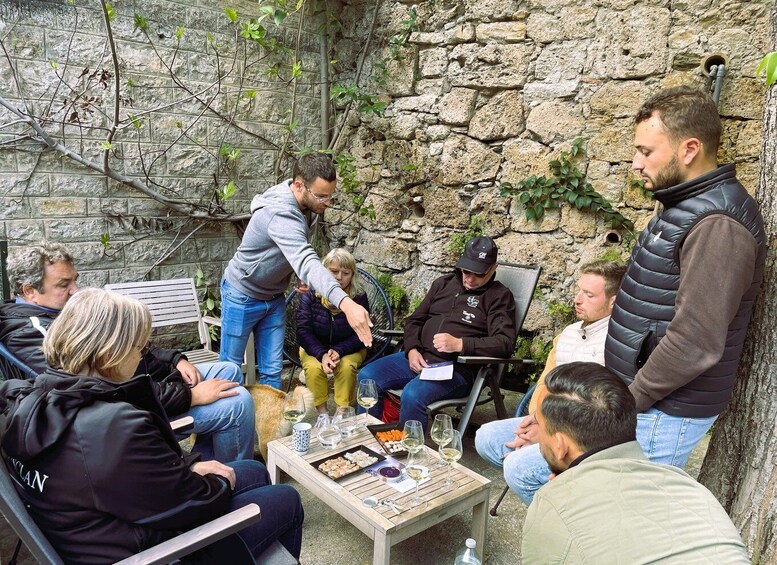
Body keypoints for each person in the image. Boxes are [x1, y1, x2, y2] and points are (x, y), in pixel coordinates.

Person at [0, 288, 303, 564]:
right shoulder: (113, 426)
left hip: (97, 530)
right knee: (286, 499)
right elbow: (194, 503)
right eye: (139, 349)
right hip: (154, 551)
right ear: (109, 356)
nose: (142, 357)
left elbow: (119, 474)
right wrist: (219, 483)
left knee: (254, 470)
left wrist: (188, 465)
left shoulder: (26, 398)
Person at [605, 86, 767, 467]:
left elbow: (696, 341)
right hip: (647, 401)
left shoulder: (718, 224)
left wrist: (630, 400)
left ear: (689, 150)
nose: (635, 163)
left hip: (665, 411)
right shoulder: (684, 204)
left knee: (636, 519)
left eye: (645, 152)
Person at [0, 243, 255, 463]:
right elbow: (108, 392)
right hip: (129, 412)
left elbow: (125, 342)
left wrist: (173, 360)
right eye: (63, 284)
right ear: (29, 291)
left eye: (75, 279)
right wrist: (189, 396)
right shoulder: (34, 334)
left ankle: (209, 457)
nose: (75, 290)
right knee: (237, 401)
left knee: (228, 370)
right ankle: (234, 474)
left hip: (141, 385)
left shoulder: (60, 313)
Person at [521, 361, 749, 564]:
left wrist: (559, 498)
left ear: (561, 446)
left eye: (539, 424)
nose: (536, 431)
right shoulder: (690, 487)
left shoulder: (552, 505)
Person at [475, 260, 626, 504]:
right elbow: (545, 384)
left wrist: (546, 436)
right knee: (486, 437)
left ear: (613, 301)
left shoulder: (617, 345)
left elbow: (599, 413)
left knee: (517, 468)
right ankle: (555, 496)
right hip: (551, 421)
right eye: (578, 291)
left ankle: (561, 517)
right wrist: (536, 422)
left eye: (588, 295)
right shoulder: (568, 334)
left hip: (585, 438)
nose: (577, 299)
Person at [220, 152, 372, 390]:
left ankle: (270, 427)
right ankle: (228, 425)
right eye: (322, 196)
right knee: (229, 371)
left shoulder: (308, 205)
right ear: (299, 185)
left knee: (272, 372)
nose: (327, 203)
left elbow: (291, 252)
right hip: (242, 294)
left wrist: (297, 274)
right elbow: (305, 257)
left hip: (274, 297)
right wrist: (346, 302)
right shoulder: (279, 212)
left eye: (330, 196)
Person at [356, 236, 517, 430]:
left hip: (456, 369)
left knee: (412, 394)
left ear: (492, 268)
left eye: (478, 274)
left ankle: (410, 452)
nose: (470, 278)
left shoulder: (499, 296)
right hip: (420, 358)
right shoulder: (443, 284)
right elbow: (414, 321)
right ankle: (368, 440)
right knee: (368, 377)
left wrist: (461, 344)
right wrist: (412, 350)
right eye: (466, 270)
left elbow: (505, 343)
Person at [297, 248, 369, 413]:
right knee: (314, 369)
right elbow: (303, 330)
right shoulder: (310, 293)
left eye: (346, 273)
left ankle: (342, 412)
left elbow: (363, 332)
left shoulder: (358, 296)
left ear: (353, 275)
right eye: (334, 271)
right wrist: (322, 354)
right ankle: (322, 414)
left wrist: (339, 350)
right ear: (324, 271)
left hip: (349, 347)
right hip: (314, 347)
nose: (339, 278)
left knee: (346, 367)